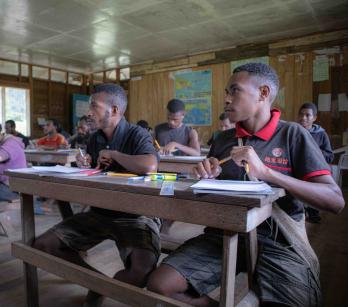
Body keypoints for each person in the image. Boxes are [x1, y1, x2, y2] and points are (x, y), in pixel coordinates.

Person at [147, 63, 344, 307]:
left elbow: (335, 201)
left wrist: (267, 172)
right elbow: (211, 190)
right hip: (226, 233)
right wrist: (206, 178)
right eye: (226, 93)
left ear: (263, 93)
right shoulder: (224, 140)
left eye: (234, 91)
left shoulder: (292, 134)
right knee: (159, 286)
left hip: (278, 240)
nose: (227, 99)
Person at [32, 83, 160, 306]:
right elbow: (95, 171)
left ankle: (99, 289)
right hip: (100, 213)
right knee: (44, 245)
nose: (88, 112)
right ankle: (98, 284)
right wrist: (86, 164)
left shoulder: (135, 133)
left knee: (143, 268)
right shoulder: (95, 138)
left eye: (94, 106)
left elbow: (150, 165)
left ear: (114, 110)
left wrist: (114, 154)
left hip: (135, 215)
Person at [298, 102, 334, 223]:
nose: (303, 118)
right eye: (301, 114)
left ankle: (313, 212)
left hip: (314, 170)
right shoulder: (294, 131)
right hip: (298, 168)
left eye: (308, 115)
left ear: (314, 118)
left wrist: (314, 153)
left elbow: (330, 155)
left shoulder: (321, 135)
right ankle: (299, 210)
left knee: (315, 190)